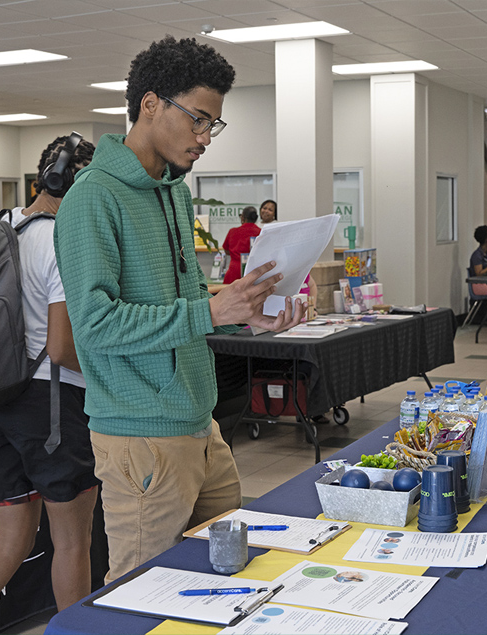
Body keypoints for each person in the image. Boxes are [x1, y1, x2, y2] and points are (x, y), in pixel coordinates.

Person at [54, 36, 304, 583]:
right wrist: (210, 315)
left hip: (199, 423)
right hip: (139, 435)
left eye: (213, 124)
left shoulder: (172, 190)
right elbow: (94, 327)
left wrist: (242, 313)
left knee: (225, 579)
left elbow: (182, 304)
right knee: (142, 593)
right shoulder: (92, 198)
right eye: (197, 119)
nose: (205, 138)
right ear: (150, 104)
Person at [0, 135, 100, 631]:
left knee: (11, 541)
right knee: (72, 542)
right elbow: (63, 348)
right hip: (48, 406)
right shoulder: (62, 240)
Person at [222, 206, 262, 283]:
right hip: (253, 273)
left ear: (243, 218)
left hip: (233, 273)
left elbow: (226, 250)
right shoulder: (261, 233)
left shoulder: (233, 232)